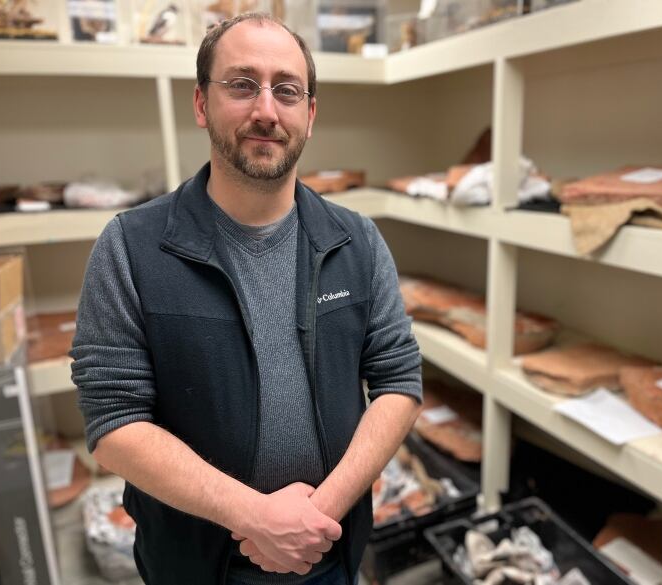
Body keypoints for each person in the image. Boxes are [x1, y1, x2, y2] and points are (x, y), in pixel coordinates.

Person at [70, 12, 423, 585]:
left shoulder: (356, 241)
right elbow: (113, 423)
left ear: (308, 114)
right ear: (202, 104)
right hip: (196, 564)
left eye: (286, 90)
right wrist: (255, 518)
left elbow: (399, 382)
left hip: (327, 550)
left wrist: (317, 517)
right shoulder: (132, 247)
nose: (266, 110)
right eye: (241, 84)